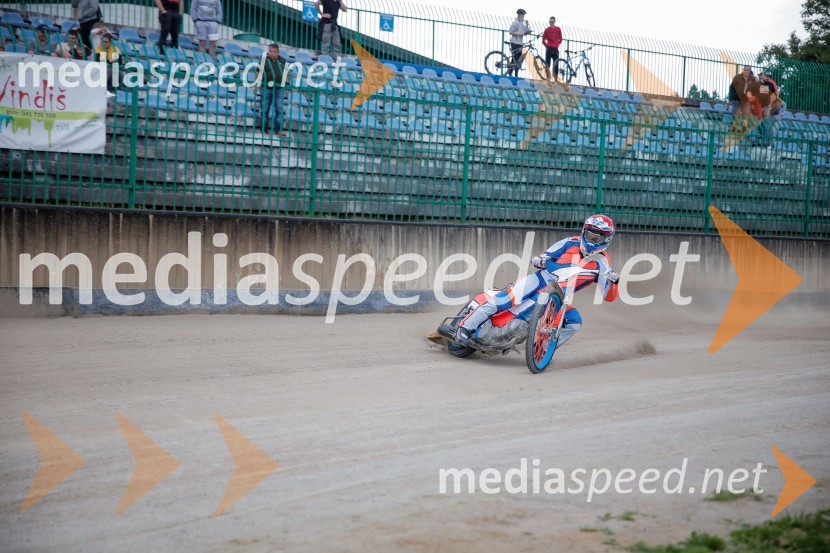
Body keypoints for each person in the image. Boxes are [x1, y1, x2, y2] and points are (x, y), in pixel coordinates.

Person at [455, 215, 620, 346]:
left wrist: (614, 281)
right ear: (584, 231)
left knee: (574, 321)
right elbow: (544, 256)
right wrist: (540, 260)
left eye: (597, 238)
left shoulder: (603, 263)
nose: (592, 240)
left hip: (559, 297)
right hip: (540, 280)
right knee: (504, 300)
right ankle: (464, 328)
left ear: (606, 240)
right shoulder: (570, 242)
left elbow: (609, 297)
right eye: (590, 235)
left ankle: (544, 349)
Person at [259, 44, 286, 136]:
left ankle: (278, 130)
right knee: (264, 110)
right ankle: (264, 130)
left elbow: (286, 73)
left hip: (279, 88)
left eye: (274, 52)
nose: (272, 53)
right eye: (270, 51)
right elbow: (258, 73)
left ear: (278, 52)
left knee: (279, 109)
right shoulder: (264, 60)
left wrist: (285, 81)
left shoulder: (283, 61)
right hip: (266, 87)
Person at [507, 8, 531, 77]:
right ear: (519, 15)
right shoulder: (515, 23)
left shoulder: (521, 23)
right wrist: (519, 34)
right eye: (522, 14)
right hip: (514, 42)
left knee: (518, 60)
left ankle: (515, 74)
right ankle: (510, 73)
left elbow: (524, 32)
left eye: (524, 15)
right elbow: (510, 32)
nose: (523, 16)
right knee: (514, 58)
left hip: (520, 43)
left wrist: (527, 25)